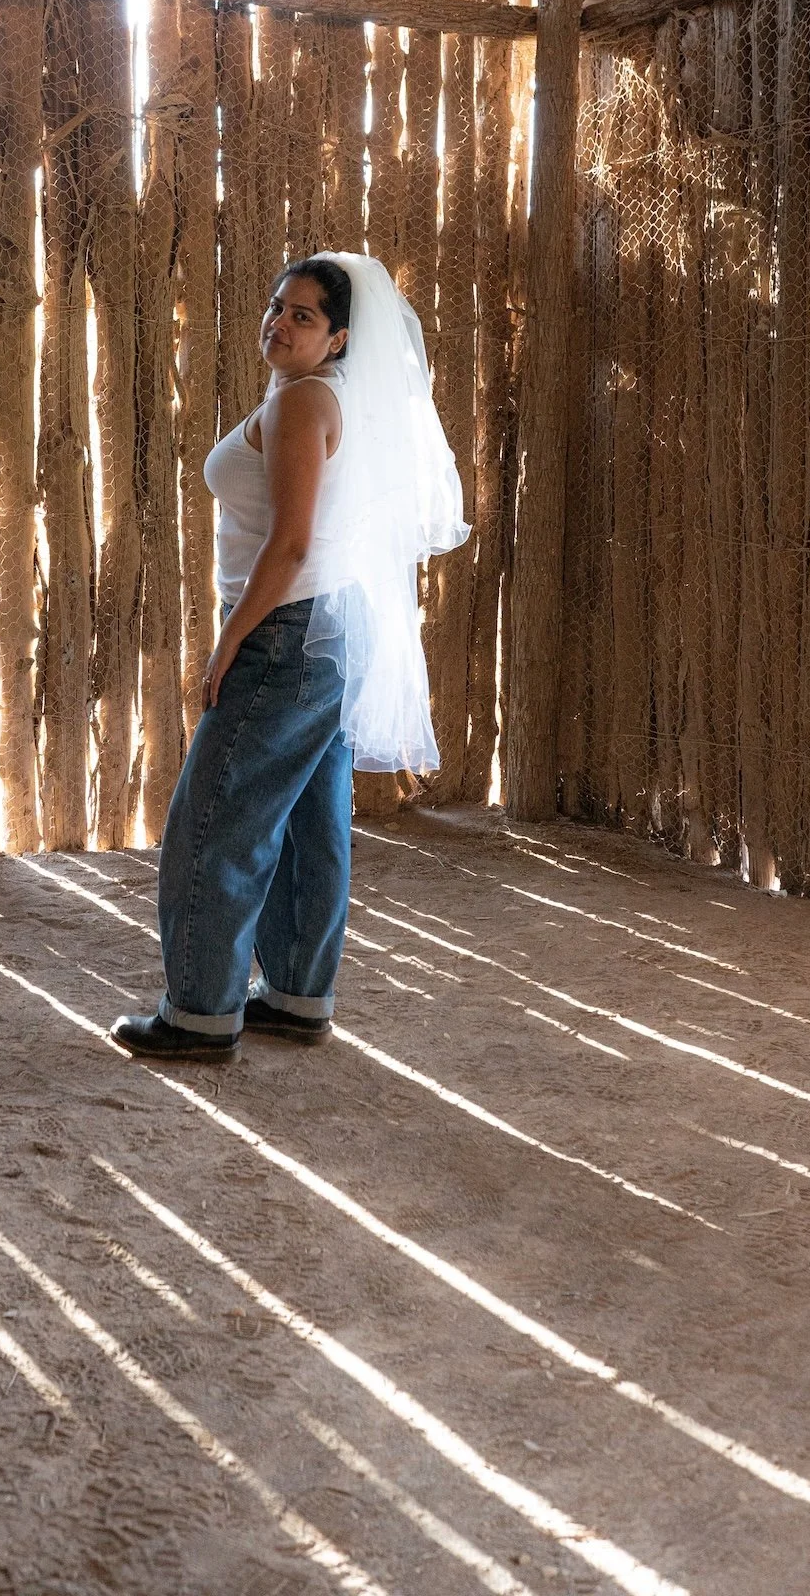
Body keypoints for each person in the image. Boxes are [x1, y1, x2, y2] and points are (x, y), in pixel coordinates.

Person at [111, 252, 469, 1063]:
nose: (280, 321)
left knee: (215, 821)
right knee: (311, 817)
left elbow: (293, 541)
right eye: (277, 306)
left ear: (339, 337)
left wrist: (234, 632)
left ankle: (199, 1014)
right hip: (332, 629)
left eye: (304, 315)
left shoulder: (307, 403)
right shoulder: (328, 395)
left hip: (285, 632)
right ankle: (299, 998)